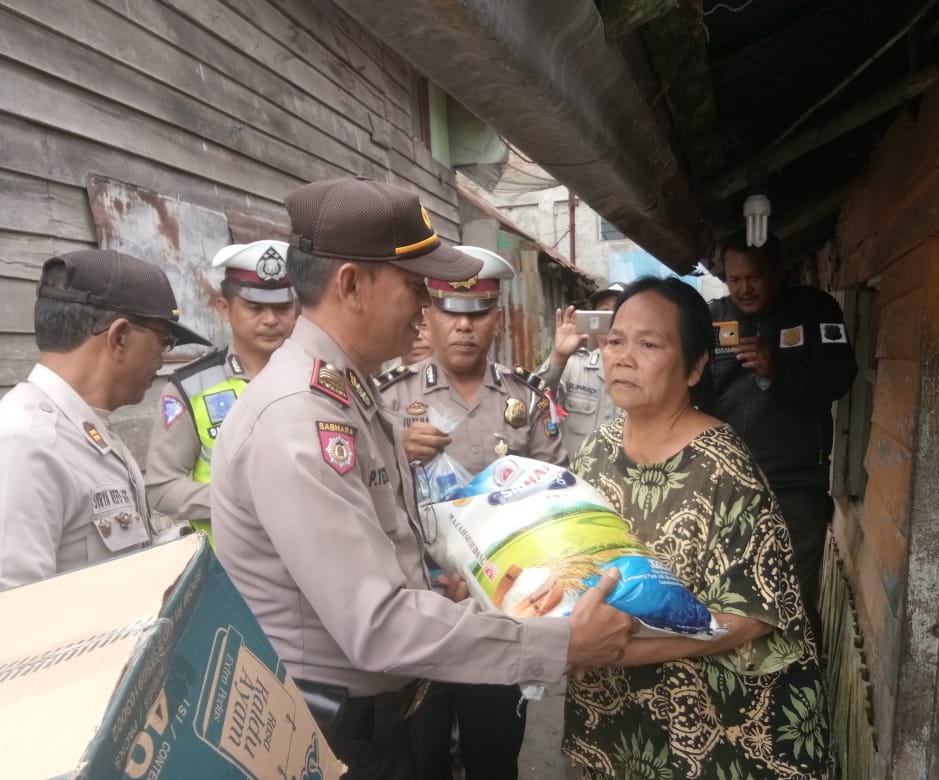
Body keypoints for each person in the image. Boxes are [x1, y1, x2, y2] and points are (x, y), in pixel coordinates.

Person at [209, 176, 634, 779]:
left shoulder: (347, 396)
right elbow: (377, 626)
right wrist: (556, 646)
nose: (424, 308)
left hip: (380, 715)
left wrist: (440, 587)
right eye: (414, 287)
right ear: (352, 285)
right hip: (336, 735)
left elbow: (379, 564)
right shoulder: (299, 419)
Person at [562, 276, 830, 779]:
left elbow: (757, 614)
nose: (623, 356)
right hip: (616, 717)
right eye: (616, 340)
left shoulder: (724, 468)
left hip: (710, 728)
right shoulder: (597, 449)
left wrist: (624, 650)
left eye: (648, 343)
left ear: (695, 366)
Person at [377, 245, 567, 780]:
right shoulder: (388, 401)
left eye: (478, 313)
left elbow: (555, 499)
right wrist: (395, 452)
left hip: (499, 607)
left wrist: (497, 576)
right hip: (420, 607)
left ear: (498, 320)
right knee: (425, 754)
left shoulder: (525, 400)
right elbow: (365, 504)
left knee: (494, 751)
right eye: (451, 312)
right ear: (428, 317)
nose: (464, 327)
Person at [0, 250, 210, 590]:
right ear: (120, 337)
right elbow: (15, 619)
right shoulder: (26, 444)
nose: (162, 358)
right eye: (164, 341)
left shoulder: (89, 428)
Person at [705, 231, 857, 628]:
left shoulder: (814, 310)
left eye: (753, 277)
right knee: (728, 596)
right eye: (734, 279)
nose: (743, 288)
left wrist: (779, 371)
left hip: (795, 488)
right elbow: (691, 390)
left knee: (792, 601)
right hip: (728, 486)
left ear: (779, 270)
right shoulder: (713, 318)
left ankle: (798, 685)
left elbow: (840, 377)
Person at [144, 240, 297, 542]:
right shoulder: (190, 388)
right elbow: (162, 488)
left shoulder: (320, 376)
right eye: (254, 307)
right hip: (231, 573)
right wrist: (239, 502)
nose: (270, 319)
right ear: (224, 308)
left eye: (282, 308)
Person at [537, 283, 624, 456]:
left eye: (618, 312)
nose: (611, 319)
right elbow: (535, 403)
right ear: (593, 319)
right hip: (575, 479)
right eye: (604, 312)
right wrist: (558, 357)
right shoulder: (573, 365)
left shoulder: (644, 372)